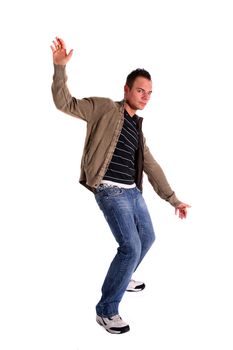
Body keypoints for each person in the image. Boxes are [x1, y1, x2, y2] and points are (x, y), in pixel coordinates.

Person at [50, 37, 191, 334]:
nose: (144, 96)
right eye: (140, 90)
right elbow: (65, 103)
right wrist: (60, 68)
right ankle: (106, 310)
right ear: (126, 89)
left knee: (147, 238)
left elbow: (151, 166)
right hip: (110, 189)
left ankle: (123, 275)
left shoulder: (138, 131)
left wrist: (173, 199)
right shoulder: (103, 108)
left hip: (132, 191)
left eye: (149, 93)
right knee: (130, 246)